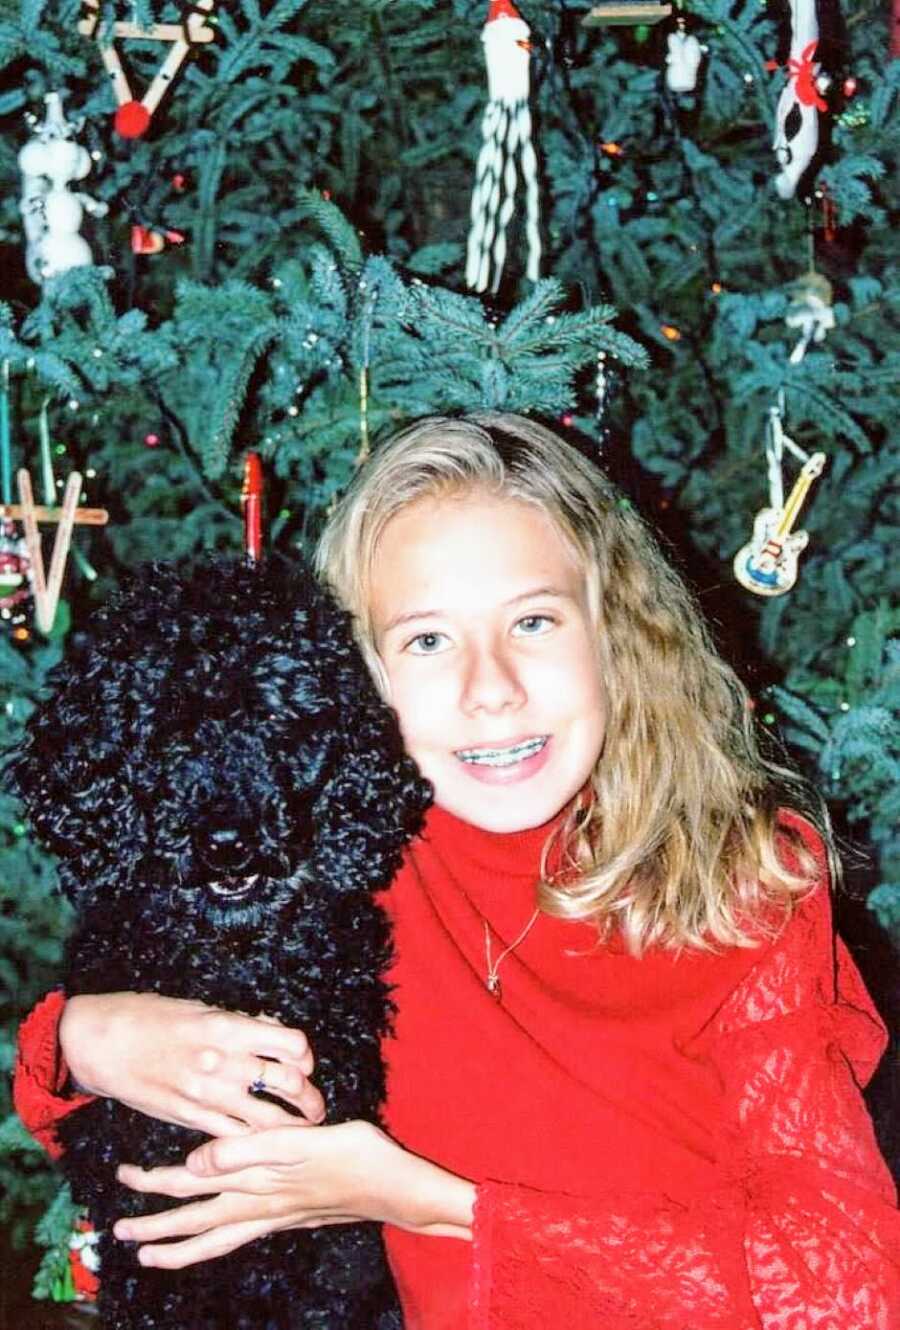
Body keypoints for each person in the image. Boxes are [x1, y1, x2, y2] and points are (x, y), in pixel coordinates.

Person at [14, 412, 900, 1329]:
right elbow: (73, 1101)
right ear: (355, 674)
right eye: (428, 641)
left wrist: (435, 1201)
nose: (492, 687)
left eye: (534, 620)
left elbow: (848, 1288)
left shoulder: (744, 880)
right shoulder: (343, 867)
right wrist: (87, 1035)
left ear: (617, 635)